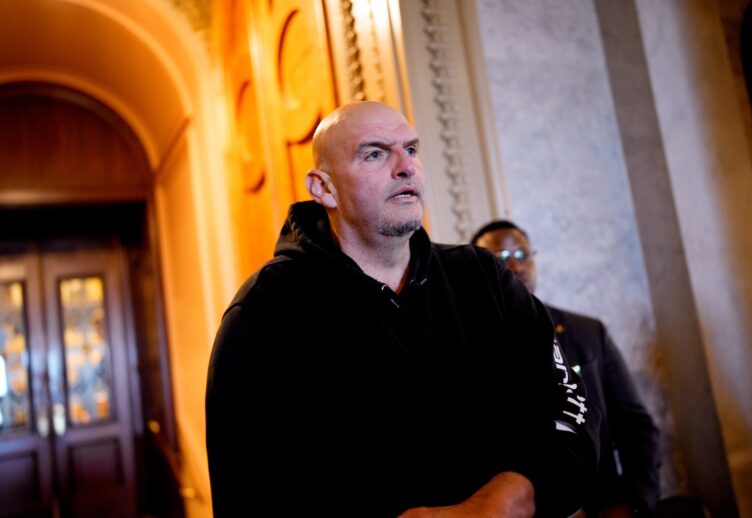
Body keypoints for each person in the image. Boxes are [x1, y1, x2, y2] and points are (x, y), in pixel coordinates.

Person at [206, 101, 598, 517]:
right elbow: (250, 496)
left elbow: (568, 410)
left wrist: (499, 503)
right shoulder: (262, 315)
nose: (406, 167)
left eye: (411, 150)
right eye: (375, 153)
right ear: (323, 188)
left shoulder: (483, 277)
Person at [471, 220, 661, 518]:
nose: (516, 267)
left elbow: (636, 425)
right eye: (501, 258)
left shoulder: (588, 332)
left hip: (601, 505)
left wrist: (633, 503)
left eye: (522, 255)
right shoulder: (470, 345)